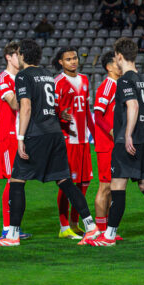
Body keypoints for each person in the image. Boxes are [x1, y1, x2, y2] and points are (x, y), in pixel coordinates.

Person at [0, 39, 97, 247]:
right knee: (65, 181)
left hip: (35, 134)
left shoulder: (23, 76)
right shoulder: (48, 75)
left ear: (22, 55)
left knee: (16, 181)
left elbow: (26, 107)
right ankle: (91, 227)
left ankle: (12, 235)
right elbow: (52, 104)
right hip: (54, 133)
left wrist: (21, 138)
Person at [87, 38, 144, 247]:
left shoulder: (124, 81)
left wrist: (127, 134)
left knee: (117, 187)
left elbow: (133, 105)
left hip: (127, 142)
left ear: (119, 56)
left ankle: (109, 236)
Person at [53, 47, 95, 239]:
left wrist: (95, 135)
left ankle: (75, 223)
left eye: (75, 58)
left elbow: (86, 111)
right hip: (67, 140)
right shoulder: (57, 82)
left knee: (84, 183)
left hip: (83, 140)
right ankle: (64, 228)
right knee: (67, 183)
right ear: (61, 62)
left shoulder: (84, 80)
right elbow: (51, 111)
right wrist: (60, 115)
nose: (73, 61)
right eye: (68, 59)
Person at [0, 41, 30, 239]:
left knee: (20, 182)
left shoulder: (22, 78)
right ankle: (7, 228)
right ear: (8, 57)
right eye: (17, 54)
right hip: (9, 137)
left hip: (22, 136)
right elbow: (15, 104)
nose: (20, 58)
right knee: (12, 181)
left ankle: (16, 226)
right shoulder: (2, 79)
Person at [92, 51, 121, 238]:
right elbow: (98, 115)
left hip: (116, 145)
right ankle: (101, 230)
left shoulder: (120, 85)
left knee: (113, 187)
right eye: (117, 63)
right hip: (106, 145)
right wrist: (111, 131)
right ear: (109, 67)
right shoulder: (108, 85)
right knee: (105, 187)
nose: (121, 65)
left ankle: (109, 230)